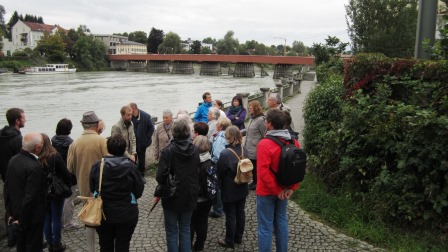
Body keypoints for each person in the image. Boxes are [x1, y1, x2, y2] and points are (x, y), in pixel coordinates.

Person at [89, 134, 144, 252]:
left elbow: (92, 187)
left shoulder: (98, 166)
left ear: (108, 148)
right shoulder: (131, 167)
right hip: (126, 213)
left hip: (103, 213)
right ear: (124, 149)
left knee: (105, 245)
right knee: (123, 245)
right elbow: (139, 191)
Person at [256, 109, 300, 252]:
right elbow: (298, 168)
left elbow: (263, 173)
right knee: (281, 221)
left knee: (265, 227)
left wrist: (276, 191)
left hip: (266, 191)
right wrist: (291, 188)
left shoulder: (264, 144)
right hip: (285, 190)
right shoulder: (294, 142)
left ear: (269, 124)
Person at [67, 111, 108, 252]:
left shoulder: (75, 143)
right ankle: (105, 246)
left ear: (83, 125)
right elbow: (110, 163)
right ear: (97, 125)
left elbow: (70, 167)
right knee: (103, 217)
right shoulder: (101, 141)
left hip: (84, 187)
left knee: (89, 220)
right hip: (102, 187)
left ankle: (91, 249)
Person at [156, 120, 199, 252]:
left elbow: (160, 177)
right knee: (185, 229)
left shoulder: (168, 151)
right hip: (189, 193)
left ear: (174, 133)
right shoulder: (194, 149)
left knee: (171, 231)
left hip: (171, 195)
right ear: (188, 133)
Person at [4, 132, 46, 252]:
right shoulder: (34, 166)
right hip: (31, 217)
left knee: (21, 245)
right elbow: (31, 196)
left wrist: (10, 213)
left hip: (16, 212)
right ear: (37, 148)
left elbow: (7, 188)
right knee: (33, 246)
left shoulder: (13, 160)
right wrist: (22, 219)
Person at [216, 126, 249, 249]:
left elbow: (220, 172)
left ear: (229, 137)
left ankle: (229, 240)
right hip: (243, 186)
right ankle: (238, 237)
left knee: (230, 214)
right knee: (240, 212)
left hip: (230, 188)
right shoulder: (243, 149)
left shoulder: (225, 153)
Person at [39, 133, 72, 252]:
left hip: (44, 192)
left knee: (47, 218)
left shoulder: (37, 158)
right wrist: (68, 186)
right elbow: (65, 173)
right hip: (56, 191)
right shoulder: (55, 156)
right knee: (56, 217)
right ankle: (56, 243)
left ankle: (49, 243)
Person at [51, 118, 82, 231]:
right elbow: (74, 161)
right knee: (69, 199)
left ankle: (60, 220)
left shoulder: (53, 140)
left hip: (57, 174)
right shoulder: (71, 143)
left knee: (60, 199)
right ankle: (67, 223)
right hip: (69, 175)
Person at [190, 135, 214, 251]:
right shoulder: (210, 161)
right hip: (207, 198)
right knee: (203, 222)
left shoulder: (191, 161)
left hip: (194, 198)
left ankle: (187, 245)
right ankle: (199, 246)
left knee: (190, 222)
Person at [209, 116, 232, 218]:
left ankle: (218, 210)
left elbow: (217, 156)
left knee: (217, 188)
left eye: (217, 124)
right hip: (228, 165)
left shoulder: (219, 138)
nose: (216, 125)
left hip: (219, 166)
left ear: (220, 126)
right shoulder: (228, 135)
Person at [243, 101, 266, 190]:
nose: (249, 109)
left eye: (250, 108)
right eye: (248, 108)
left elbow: (264, 134)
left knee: (256, 167)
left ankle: (256, 183)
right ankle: (254, 182)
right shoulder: (252, 119)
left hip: (256, 148)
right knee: (252, 166)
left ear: (256, 108)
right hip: (249, 147)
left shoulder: (260, 120)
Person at [0, 108, 26, 182]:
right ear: (17, 121)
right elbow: (20, 160)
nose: (25, 120)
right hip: (15, 175)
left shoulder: (2, 133)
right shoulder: (18, 139)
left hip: (4, 172)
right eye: (23, 118)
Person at [130, 102, 155, 177]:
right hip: (133, 142)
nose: (129, 113)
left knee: (141, 159)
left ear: (134, 109)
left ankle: (142, 174)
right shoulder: (130, 117)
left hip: (142, 142)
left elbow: (151, 128)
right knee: (132, 159)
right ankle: (133, 174)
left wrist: (147, 137)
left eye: (130, 110)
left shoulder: (146, 116)